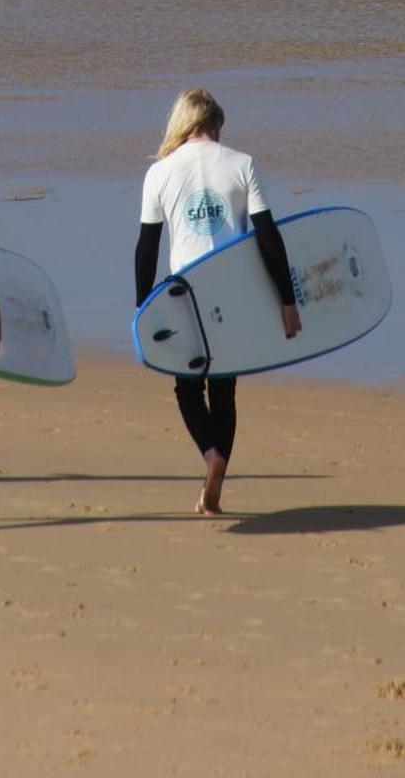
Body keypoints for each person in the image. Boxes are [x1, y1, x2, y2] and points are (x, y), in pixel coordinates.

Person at [135, 88, 300, 516]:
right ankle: (216, 490)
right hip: (233, 289)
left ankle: (211, 455)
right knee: (224, 390)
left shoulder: (160, 172)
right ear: (215, 124)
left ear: (182, 124)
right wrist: (287, 299)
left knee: (187, 387)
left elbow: (146, 249)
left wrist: (143, 312)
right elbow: (268, 236)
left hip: (183, 291)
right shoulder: (242, 164)